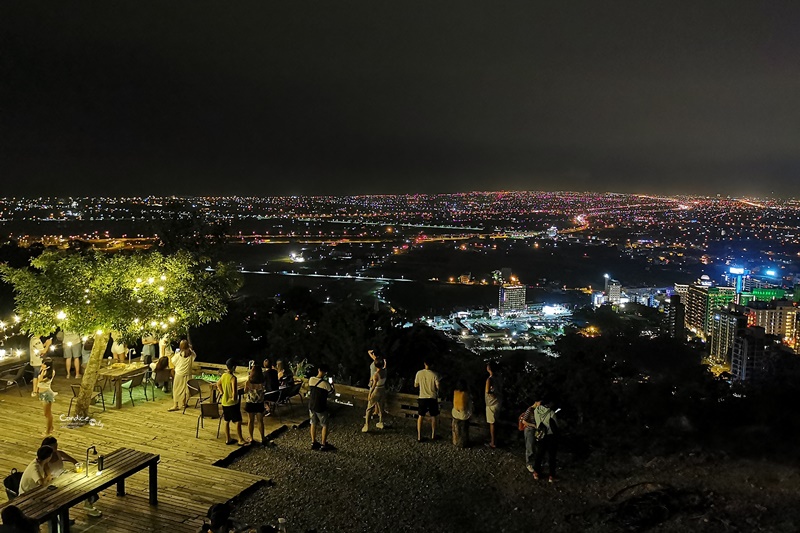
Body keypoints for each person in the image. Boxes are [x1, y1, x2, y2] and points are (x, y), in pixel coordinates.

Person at [41, 436, 102, 517]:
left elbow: (74, 461)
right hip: (56, 482)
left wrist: (77, 466)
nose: (56, 447)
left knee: (86, 481)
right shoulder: (45, 460)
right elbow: (48, 475)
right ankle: (87, 503)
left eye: (56, 445)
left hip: (65, 475)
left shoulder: (59, 453)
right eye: (54, 446)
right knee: (80, 485)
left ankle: (89, 501)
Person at [521, 398, 559, 482]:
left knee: (539, 454)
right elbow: (556, 426)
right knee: (552, 456)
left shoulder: (536, 411)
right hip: (550, 436)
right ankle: (551, 476)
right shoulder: (551, 413)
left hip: (540, 434)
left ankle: (536, 473)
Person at [217, 359, 248, 446]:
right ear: (234, 367)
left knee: (226, 420)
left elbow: (218, 384)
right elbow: (234, 392)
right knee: (238, 421)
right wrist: (234, 397)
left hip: (224, 402)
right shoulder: (233, 378)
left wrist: (222, 392)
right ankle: (240, 439)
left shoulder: (223, 375)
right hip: (232, 403)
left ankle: (228, 439)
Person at [308, 364, 335, 451]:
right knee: (324, 424)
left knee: (313, 423)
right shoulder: (325, 384)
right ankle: (323, 444)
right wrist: (332, 385)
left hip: (311, 405)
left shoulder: (311, 379)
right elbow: (332, 392)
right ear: (325, 373)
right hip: (320, 407)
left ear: (318, 370)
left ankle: (313, 442)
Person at [414, 359, 440, 442]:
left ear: (424, 363)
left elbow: (415, 385)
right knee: (433, 416)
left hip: (422, 397)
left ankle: (419, 436)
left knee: (420, 416)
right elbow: (438, 386)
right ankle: (433, 435)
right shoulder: (434, 374)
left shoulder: (419, 373)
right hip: (432, 397)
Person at [169, 340, 196, 412]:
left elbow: (173, 361)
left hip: (179, 374)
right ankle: (184, 403)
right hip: (188, 373)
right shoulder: (191, 354)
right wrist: (190, 348)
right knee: (185, 389)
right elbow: (194, 356)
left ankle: (176, 405)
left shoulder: (178, 355)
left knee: (177, 389)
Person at [362, 358, 386, 433]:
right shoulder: (385, 371)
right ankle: (381, 422)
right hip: (383, 389)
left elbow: (373, 385)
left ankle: (367, 425)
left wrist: (370, 393)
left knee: (369, 408)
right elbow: (385, 366)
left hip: (376, 390)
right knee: (381, 407)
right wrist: (384, 362)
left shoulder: (376, 375)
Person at [245, 364, 266, 445]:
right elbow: (264, 390)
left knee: (250, 421)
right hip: (259, 403)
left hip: (250, 403)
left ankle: (251, 437)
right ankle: (262, 437)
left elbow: (245, 391)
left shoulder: (248, 382)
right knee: (260, 421)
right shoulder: (262, 382)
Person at [485, 361, 503, 448]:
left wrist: (492, 394)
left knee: (492, 423)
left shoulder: (490, 379)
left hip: (491, 403)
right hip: (498, 402)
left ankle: (493, 443)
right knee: (496, 421)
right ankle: (496, 440)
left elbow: (487, 391)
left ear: (489, 368)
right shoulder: (499, 378)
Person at [451, 379, 473, 447]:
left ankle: (456, 441)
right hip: (463, 415)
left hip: (455, 413)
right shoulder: (465, 394)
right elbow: (464, 406)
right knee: (464, 429)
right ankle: (464, 442)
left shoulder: (455, 392)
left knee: (456, 428)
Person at [38, 358, 56, 436]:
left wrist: (42, 371)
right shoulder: (43, 370)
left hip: (46, 394)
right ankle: (51, 427)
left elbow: (40, 380)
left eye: (44, 364)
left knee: (47, 414)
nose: (42, 365)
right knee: (46, 414)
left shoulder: (51, 372)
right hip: (41, 393)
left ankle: (48, 432)